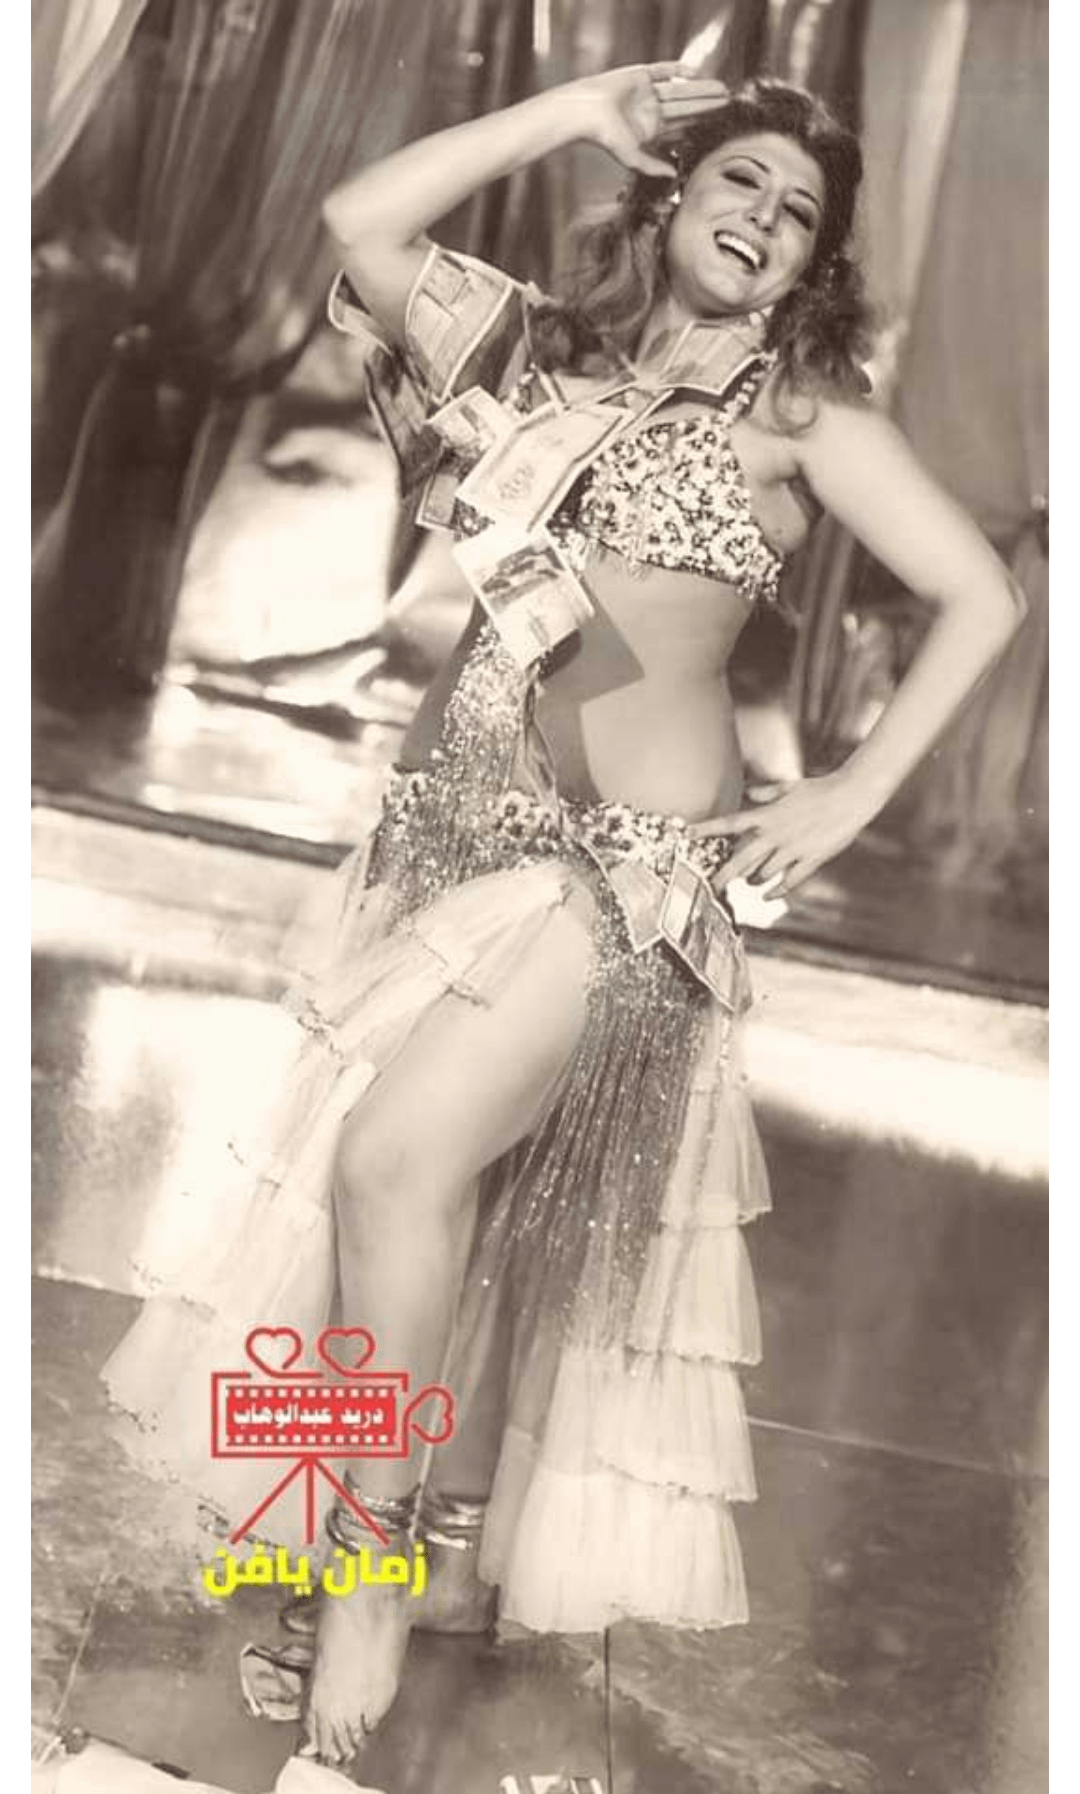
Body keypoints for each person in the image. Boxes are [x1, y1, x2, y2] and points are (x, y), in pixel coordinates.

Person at [103, 66, 1024, 1770]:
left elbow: (982, 592)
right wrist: (574, 108)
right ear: (670, 197)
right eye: (737, 184)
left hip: (621, 879)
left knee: (393, 1165)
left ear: (813, 264)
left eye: (797, 214)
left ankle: (367, 1570)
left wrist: (848, 794)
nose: (761, 221)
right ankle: (412, 1543)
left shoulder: (798, 416)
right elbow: (357, 222)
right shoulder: (536, 357)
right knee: (419, 1225)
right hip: (454, 846)